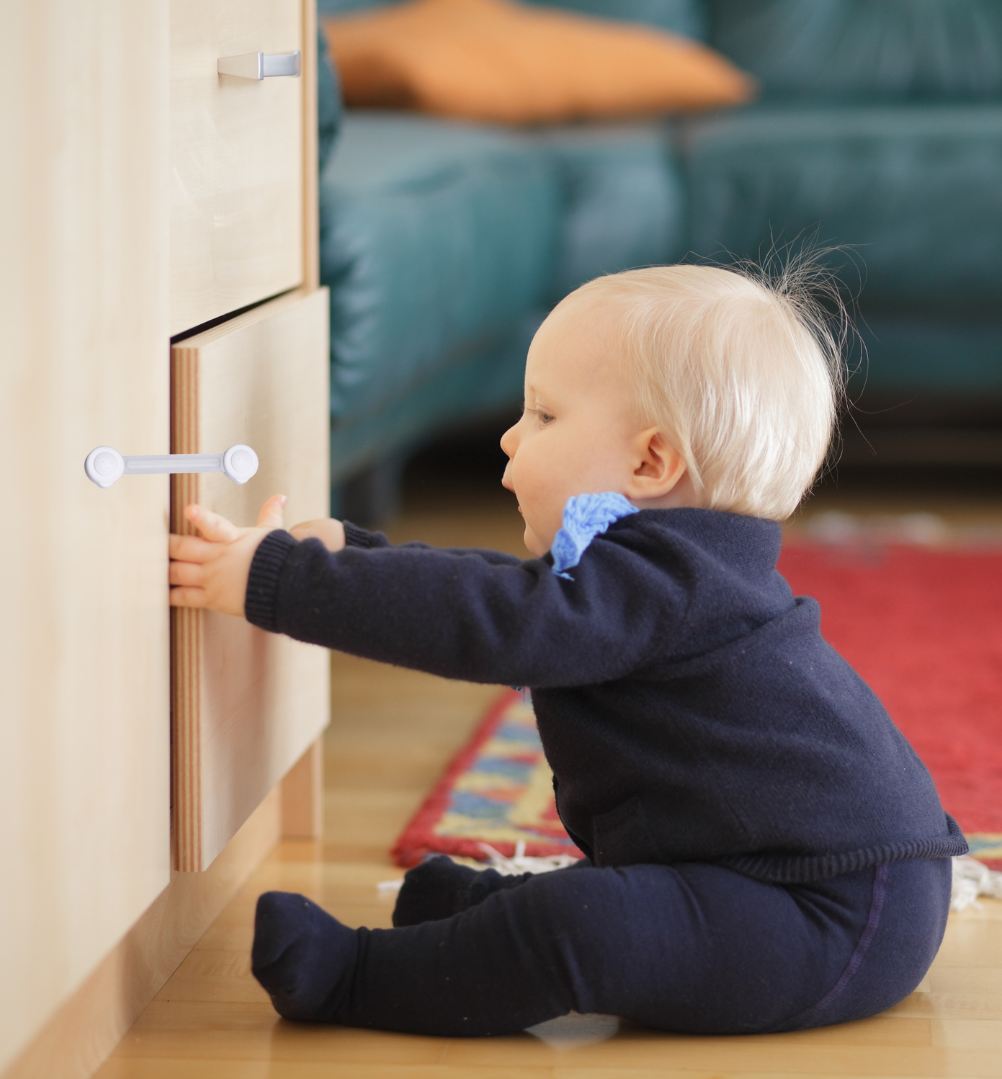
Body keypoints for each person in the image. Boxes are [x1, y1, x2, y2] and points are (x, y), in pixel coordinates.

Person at [168, 263, 966, 1037]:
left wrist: (284, 580)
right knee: (627, 903)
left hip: (835, 913)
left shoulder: (671, 586)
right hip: (785, 876)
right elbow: (508, 588)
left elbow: (498, 620)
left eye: (544, 416)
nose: (513, 438)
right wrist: (356, 554)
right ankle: (478, 917)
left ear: (650, 463)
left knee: (584, 925)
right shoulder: (676, 571)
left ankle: (356, 977)